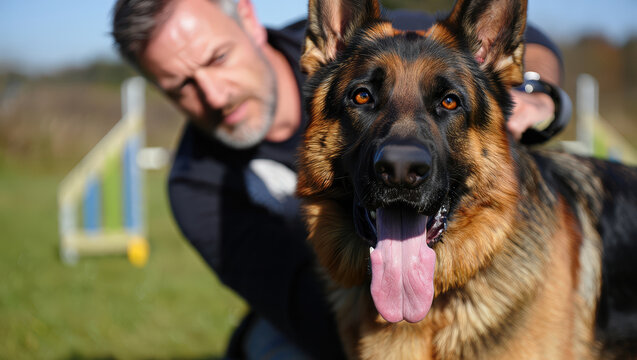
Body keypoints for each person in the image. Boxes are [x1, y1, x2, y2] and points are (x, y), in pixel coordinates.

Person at [111, 0, 571, 358]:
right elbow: (300, 306)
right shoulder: (197, 186)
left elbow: (532, 36)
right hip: (322, 307)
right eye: (180, 86)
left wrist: (537, 94)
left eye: (216, 58)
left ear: (248, 20)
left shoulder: (373, 42)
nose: (213, 94)